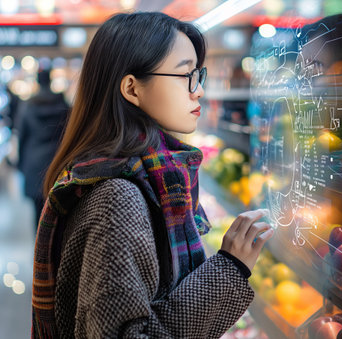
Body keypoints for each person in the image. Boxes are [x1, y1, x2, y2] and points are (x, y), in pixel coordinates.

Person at [32, 12, 274, 338]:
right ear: (132, 88)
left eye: (198, 74)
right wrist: (230, 266)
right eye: (185, 75)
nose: (199, 90)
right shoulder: (119, 198)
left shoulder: (141, 175)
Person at [17, 68, 69, 228]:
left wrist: (20, 164)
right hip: (57, 162)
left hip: (34, 162)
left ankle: (39, 248)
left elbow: (22, 137)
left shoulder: (28, 106)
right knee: (58, 211)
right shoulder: (63, 105)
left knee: (37, 212)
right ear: (51, 81)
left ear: (38, 81)